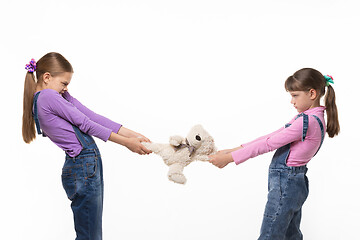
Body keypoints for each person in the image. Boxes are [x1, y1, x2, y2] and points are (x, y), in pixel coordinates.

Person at [22, 52, 152, 240]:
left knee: (89, 235)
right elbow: (86, 124)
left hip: (83, 167)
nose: (66, 89)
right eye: (64, 83)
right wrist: (126, 143)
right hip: (83, 167)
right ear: (47, 77)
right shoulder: (47, 96)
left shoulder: (54, 97)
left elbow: (92, 116)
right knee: (90, 236)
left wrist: (133, 135)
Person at [209, 68, 340, 240]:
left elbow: (269, 144)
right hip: (295, 181)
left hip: (286, 182)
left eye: (295, 95)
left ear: (312, 93)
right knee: (290, 234)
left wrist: (229, 159)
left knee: (271, 234)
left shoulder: (306, 122)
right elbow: (271, 136)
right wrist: (233, 150)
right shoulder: (310, 118)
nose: (291, 101)